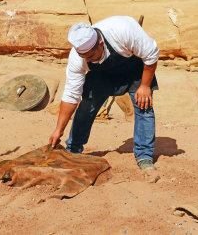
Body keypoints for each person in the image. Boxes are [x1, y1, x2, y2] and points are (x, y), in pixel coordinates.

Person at [49, 16, 159, 170]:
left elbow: (151, 55)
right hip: (102, 76)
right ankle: (73, 149)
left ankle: (144, 156)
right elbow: (71, 95)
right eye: (84, 57)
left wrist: (145, 85)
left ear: (100, 44)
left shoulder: (123, 30)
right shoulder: (77, 58)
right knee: (86, 106)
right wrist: (58, 130)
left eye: (91, 56)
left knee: (144, 106)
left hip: (133, 68)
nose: (88, 59)